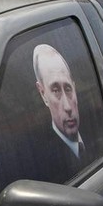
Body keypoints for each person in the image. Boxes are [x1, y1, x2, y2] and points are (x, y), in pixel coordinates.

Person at [32, 44, 87, 183]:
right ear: (43, 94)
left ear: (74, 87)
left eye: (68, 89)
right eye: (55, 90)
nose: (67, 106)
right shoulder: (40, 163)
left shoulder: (98, 130)